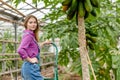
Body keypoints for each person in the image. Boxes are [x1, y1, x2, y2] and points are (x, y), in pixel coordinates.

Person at [17, 15, 51, 80]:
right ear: (26, 24)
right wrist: (30, 59)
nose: (33, 24)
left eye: (35, 22)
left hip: (31, 67)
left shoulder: (31, 35)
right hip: (30, 67)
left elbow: (34, 48)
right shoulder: (28, 36)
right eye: (30, 22)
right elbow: (20, 50)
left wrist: (44, 43)